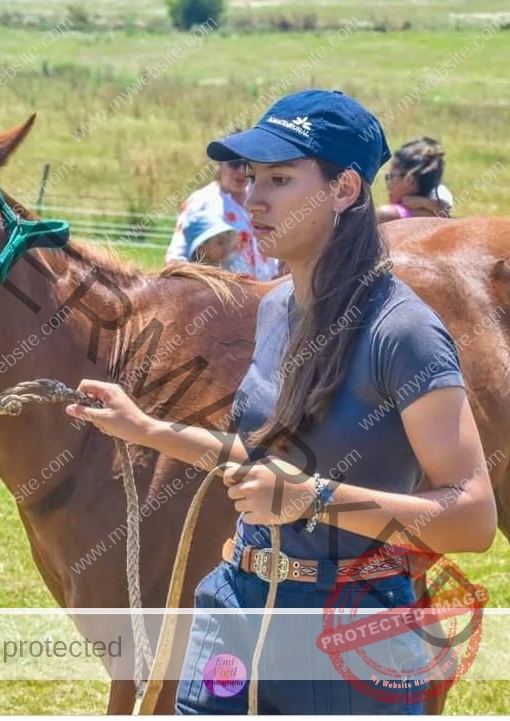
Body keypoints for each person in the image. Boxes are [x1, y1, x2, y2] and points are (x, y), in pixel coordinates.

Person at [66, 89, 497, 714]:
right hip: (236, 608)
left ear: (345, 190)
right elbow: (274, 460)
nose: (252, 198)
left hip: (351, 639)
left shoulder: (402, 331)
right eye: (250, 177)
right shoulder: (277, 309)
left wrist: (309, 500)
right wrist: (149, 429)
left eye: (281, 179)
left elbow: (473, 516)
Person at [166, 157, 281, 280]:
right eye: (234, 164)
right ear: (220, 165)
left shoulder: (261, 199)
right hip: (226, 294)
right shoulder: (201, 202)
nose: (242, 171)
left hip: (269, 291)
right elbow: (175, 259)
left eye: (247, 164)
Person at [377, 136, 453, 223]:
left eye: (390, 177)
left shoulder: (385, 214)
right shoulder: (437, 215)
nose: (388, 184)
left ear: (409, 179)